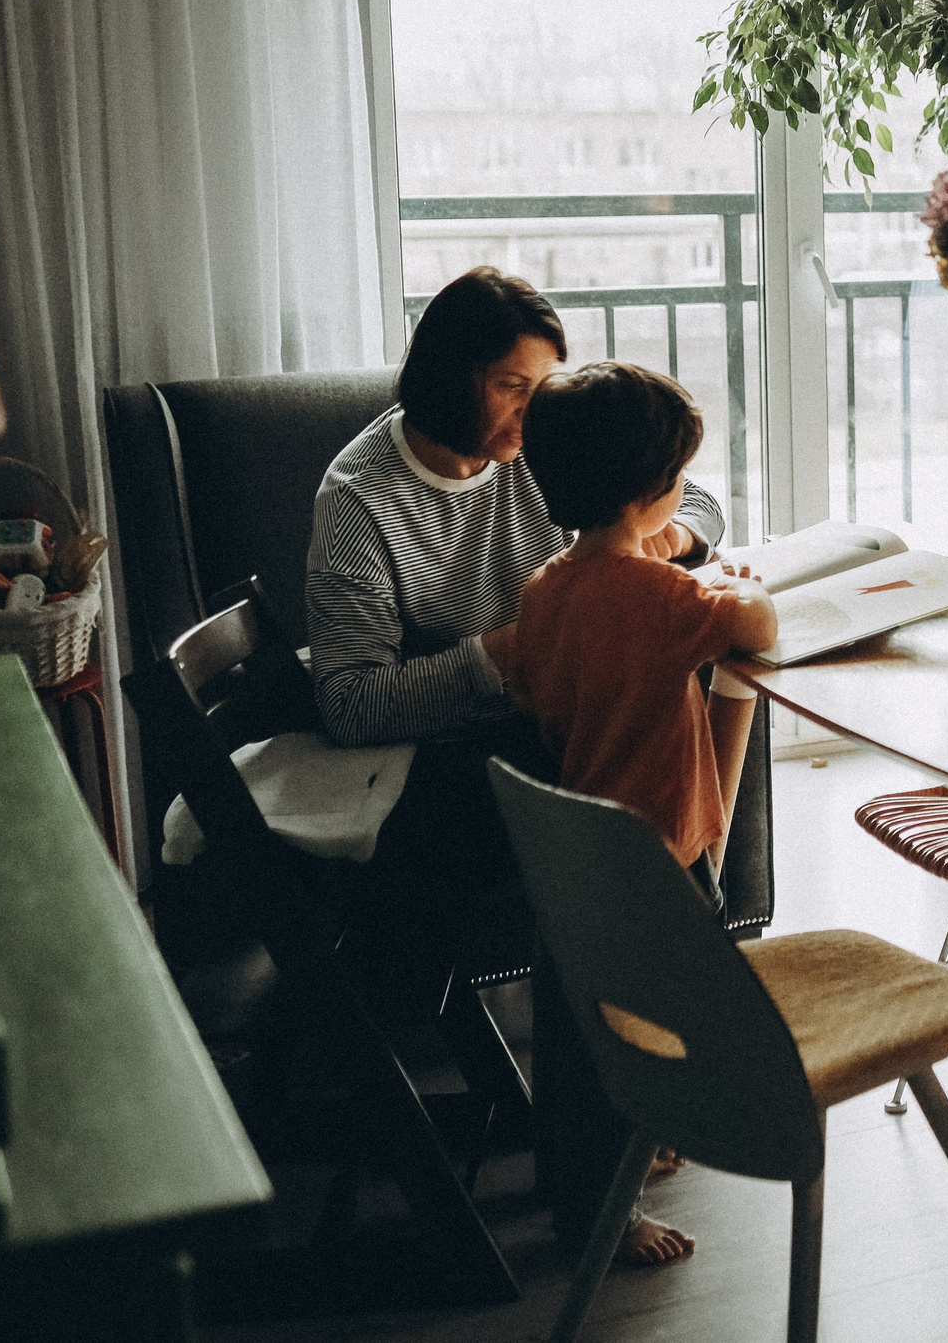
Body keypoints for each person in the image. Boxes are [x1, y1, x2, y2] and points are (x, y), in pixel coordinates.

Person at [303, 266, 730, 1263]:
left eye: (544, 386)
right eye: (512, 387)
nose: (534, 411)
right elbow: (352, 703)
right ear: (453, 378)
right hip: (449, 761)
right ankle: (600, 1148)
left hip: (551, 730)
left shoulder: (548, 445)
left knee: (669, 831)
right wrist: (509, 651)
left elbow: (686, 488)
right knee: (614, 905)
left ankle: (642, 1098)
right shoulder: (360, 502)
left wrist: (667, 547)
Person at [505, 360, 778, 1266]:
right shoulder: (667, 600)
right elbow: (757, 629)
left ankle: (622, 1150)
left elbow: (544, 680)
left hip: (574, 846)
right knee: (643, 1022)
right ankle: (601, 1213)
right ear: (651, 494)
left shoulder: (543, 589)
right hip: (657, 849)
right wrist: (736, 586)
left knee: (581, 1029)